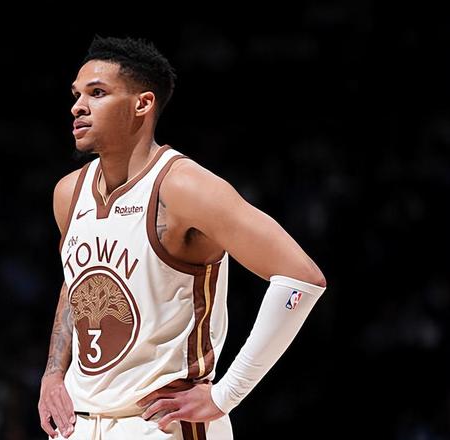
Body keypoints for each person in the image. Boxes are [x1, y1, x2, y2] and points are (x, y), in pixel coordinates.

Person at [38, 35, 327, 440]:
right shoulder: (68, 193)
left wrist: (227, 394)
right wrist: (53, 373)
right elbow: (77, 282)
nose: (77, 106)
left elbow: (301, 277)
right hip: (80, 422)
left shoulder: (184, 187)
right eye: (76, 94)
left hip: (161, 425)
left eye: (97, 93)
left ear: (142, 104)